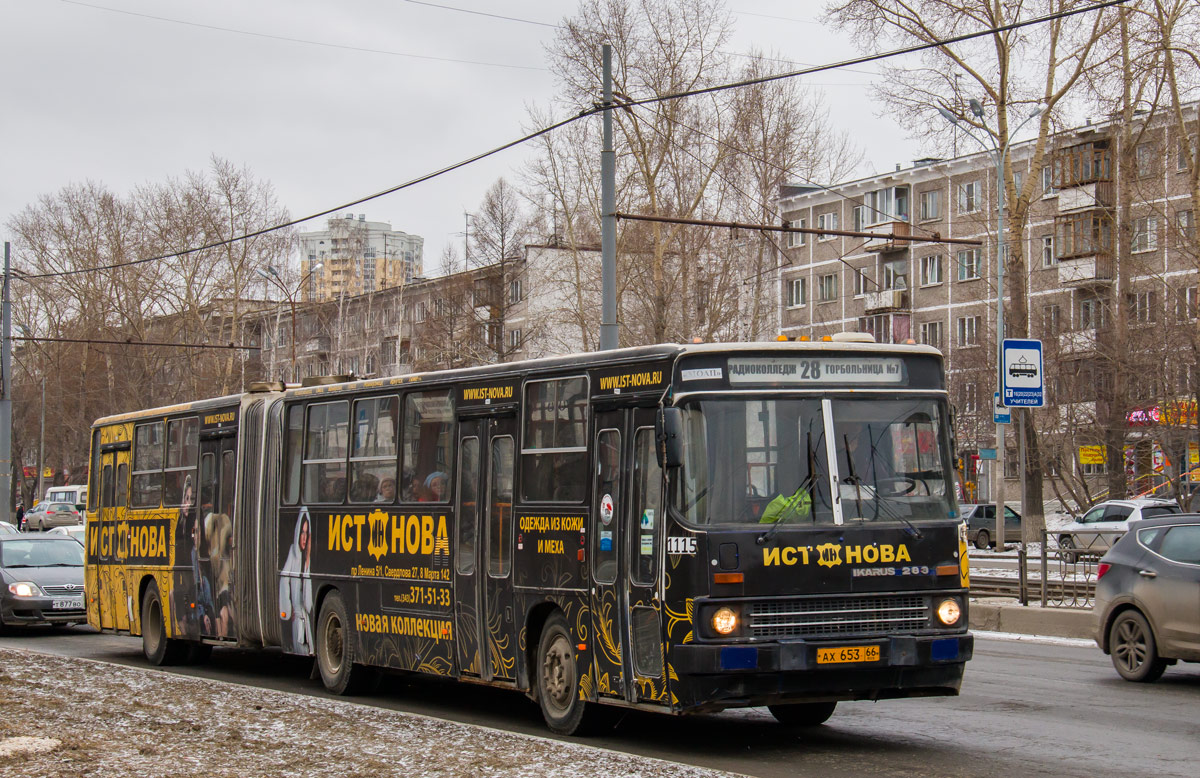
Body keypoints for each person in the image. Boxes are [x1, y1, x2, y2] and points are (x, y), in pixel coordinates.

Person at [279, 510, 313, 654]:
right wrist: (288, 607)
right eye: (302, 533)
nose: (304, 537)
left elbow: (308, 603)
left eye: (307, 533)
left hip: (307, 623)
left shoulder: (308, 561)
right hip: (297, 621)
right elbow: (284, 578)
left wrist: (307, 561)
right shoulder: (293, 552)